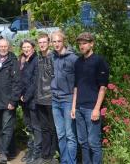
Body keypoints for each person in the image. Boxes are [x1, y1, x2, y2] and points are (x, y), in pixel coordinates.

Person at [72, 32, 110, 164]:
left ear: (92, 44)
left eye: (84, 43)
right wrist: (74, 107)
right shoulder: (78, 62)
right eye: (80, 44)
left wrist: (97, 109)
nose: (81, 46)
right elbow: (76, 86)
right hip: (79, 108)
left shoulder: (99, 61)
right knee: (83, 142)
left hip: (92, 108)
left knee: (93, 143)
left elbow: (103, 87)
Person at [0, 38, 19, 164]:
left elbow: (17, 83)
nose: (3, 48)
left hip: (8, 101)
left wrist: (13, 101)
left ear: (9, 47)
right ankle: (8, 150)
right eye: (1, 46)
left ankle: (3, 153)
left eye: (5, 46)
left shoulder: (13, 61)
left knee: (7, 127)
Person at [50, 30, 78, 164]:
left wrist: (74, 104)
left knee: (70, 135)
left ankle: (71, 162)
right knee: (60, 134)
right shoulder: (52, 57)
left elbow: (78, 83)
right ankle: (64, 161)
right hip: (55, 100)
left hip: (68, 100)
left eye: (59, 41)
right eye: (54, 41)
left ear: (64, 41)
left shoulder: (73, 58)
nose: (56, 44)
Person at [33, 33, 57, 163]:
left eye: (44, 42)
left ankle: (53, 154)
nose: (42, 44)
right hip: (40, 98)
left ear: (49, 43)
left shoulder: (53, 57)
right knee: (44, 128)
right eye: (40, 42)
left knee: (53, 128)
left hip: (51, 98)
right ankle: (45, 154)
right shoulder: (38, 58)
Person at [17, 39, 39, 164]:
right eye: (24, 47)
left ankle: (36, 153)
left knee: (35, 127)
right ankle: (30, 151)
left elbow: (34, 82)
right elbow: (20, 80)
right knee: (29, 127)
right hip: (24, 100)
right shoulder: (23, 60)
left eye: (28, 47)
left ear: (33, 48)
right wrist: (20, 95)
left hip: (33, 100)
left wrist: (26, 96)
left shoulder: (36, 60)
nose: (26, 49)